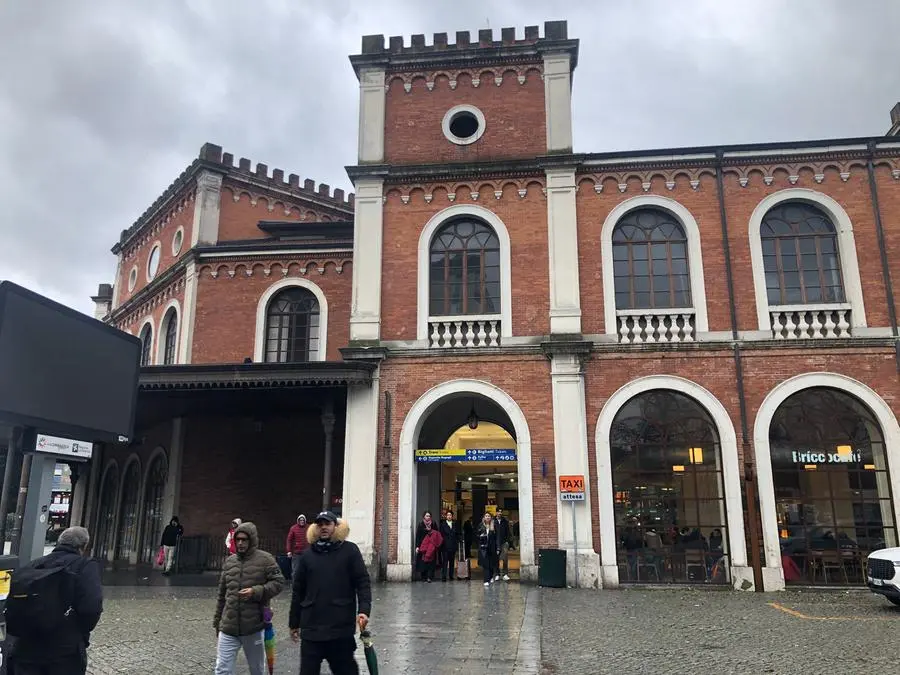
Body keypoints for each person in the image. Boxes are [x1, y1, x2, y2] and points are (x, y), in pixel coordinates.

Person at [8, 526, 103, 675]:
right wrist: (79, 632)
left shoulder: (33, 565)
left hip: (26, 647)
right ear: (83, 547)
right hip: (64, 650)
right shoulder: (84, 565)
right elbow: (91, 607)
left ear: (59, 542)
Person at [289, 511, 371, 675]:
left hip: (340, 628)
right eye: (320, 524)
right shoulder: (307, 556)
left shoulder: (350, 550)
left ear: (335, 526)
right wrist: (294, 622)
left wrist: (363, 610)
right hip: (312, 628)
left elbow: (362, 582)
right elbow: (298, 591)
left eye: (327, 524)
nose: (324, 527)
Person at [213, 522, 285, 675]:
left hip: (254, 626)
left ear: (251, 540)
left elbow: (279, 583)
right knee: (222, 670)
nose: (240, 543)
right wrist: (217, 622)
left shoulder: (266, 560)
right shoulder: (229, 562)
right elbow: (221, 595)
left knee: (256, 669)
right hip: (228, 626)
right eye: (237, 539)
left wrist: (256, 591)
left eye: (244, 539)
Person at [414, 511, 440, 582]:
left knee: (431, 563)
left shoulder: (434, 524)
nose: (428, 517)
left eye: (429, 516)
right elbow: (418, 536)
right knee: (423, 562)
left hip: (431, 546)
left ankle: (430, 577)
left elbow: (437, 534)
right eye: (426, 516)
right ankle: (423, 577)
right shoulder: (421, 524)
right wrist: (417, 546)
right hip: (423, 546)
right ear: (424, 517)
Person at [476, 512, 498, 587]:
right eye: (486, 516)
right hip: (483, 547)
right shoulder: (481, 525)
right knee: (486, 565)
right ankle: (486, 580)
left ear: (491, 518)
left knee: (491, 564)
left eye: (489, 516)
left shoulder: (494, 525)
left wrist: (498, 547)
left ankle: (491, 576)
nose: (487, 517)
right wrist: (480, 536)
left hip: (492, 547)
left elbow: (497, 537)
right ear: (484, 517)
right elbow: (477, 535)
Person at [286, 514, 309, 578]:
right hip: (297, 553)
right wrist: (289, 551)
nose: (302, 521)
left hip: (307, 553)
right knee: (295, 571)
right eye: (300, 520)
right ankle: (295, 586)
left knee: (307, 570)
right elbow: (289, 540)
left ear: (305, 521)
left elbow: (312, 538)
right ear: (298, 521)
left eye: (303, 520)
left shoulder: (309, 527)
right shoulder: (293, 528)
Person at [439, 510, 459, 582]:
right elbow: (440, 535)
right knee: (445, 562)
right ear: (446, 516)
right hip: (445, 546)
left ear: (452, 516)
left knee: (452, 562)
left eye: (450, 515)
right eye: (448, 515)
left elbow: (457, 534)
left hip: (453, 546)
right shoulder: (443, 524)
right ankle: (444, 576)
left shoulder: (455, 524)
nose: (449, 516)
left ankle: (451, 576)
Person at [493, 508, 512, 581]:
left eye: (501, 512)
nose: (500, 513)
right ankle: (497, 574)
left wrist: (507, 541)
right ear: (496, 512)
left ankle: (505, 574)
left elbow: (508, 532)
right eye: (498, 512)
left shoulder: (505, 521)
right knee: (496, 559)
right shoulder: (493, 521)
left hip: (504, 542)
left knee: (505, 558)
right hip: (495, 543)